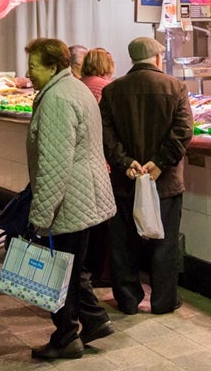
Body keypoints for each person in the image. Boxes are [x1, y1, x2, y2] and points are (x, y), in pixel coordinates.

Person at [24, 38, 117, 360]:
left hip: (69, 198)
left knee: (57, 273)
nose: (29, 72)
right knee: (73, 269)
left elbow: (54, 162)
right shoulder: (75, 88)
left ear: (52, 66)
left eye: (33, 66)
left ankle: (65, 337)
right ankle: (93, 321)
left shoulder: (57, 100)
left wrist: (41, 214)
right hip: (85, 194)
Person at [99, 36, 194, 316]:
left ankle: (128, 300)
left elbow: (105, 134)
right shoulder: (175, 87)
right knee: (164, 244)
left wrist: (125, 163)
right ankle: (164, 301)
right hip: (164, 182)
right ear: (156, 58)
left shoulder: (112, 90)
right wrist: (160, 163)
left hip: (124, 182)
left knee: (123, 244)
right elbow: (183, 131)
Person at [78, 47, 116, 287]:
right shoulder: (105, 88)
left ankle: (86, 266)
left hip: (82, 161)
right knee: (104, 221)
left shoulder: (78, 85)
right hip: (102, 162)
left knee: (87, 221)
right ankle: (102, 272)